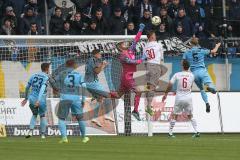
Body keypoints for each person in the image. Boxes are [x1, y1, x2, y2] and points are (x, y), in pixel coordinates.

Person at [114, 23, 146, 121]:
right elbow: (132, 62)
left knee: (118, 95)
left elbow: (136, 40)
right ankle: (135, 111)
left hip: (127, 77)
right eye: (123, 43)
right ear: (120, 47)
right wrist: (142, 59)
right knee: (139, 91)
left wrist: (140, 30)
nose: (125, 43)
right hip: (127, 77)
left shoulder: (130, 51)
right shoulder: (122, 55)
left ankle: (101, 95)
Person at [162, 60, 200, 138]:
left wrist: (165, 93)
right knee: (190, 115)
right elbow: (191, 86)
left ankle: (170, 132)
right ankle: (197, 131)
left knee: (175, 115)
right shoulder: (192, 75)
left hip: (179, 98)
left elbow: (170, 84)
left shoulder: (177, 75)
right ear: (188, 67)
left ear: (182, 66)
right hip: (188, 98)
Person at [182, 37, 221, 113]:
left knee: (202, 89)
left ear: (190, 44)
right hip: (202, 71)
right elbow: (214, 51)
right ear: (197, 43)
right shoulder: (202, 50)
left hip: (194, 74)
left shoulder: (187, 52)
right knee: (211, 84)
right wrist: (217, 45)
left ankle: (207, 103)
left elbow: (183, 62)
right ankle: (211, 88)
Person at [55, 59, 89, 143]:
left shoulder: (62, 74)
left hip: (64, 98)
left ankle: (64, 138)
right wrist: (83, 99)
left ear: (66, 65)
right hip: (76, 98)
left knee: (62, 118)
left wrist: (57, 89)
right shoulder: (78, 75)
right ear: (74, 65)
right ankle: (84, 137)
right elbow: (84, 86)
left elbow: (54, 81)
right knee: (80, 118)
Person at [85, 49, 115, 127]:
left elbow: (96, 69)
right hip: (92, 83)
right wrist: (103, 65)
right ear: (96, 54)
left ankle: (95, 118)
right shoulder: (92, 60)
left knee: (99, 98)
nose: (100, 55)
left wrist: (102, 64)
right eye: (99, 53)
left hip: (89, 84)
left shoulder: (91, 60)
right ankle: (107, 114)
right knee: (108, 95)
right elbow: (97, 71)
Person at [21, 63, 51, 139]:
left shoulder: (33, 75)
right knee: (42, 115)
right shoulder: (46, 77)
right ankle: (43, 134)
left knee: (34, 114)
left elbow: (27, 87)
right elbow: (42, 89)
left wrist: (26, 98)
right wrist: (38, 100)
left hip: (31, 98)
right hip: (41, 99)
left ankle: (30, 131)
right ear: (47, 69)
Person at [143, 30, 165, 116]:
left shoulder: (145, 46)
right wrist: (162, 68)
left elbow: (144, 58)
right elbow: (161, 58)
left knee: (148, 86)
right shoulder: (158, 44)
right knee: (152, 87)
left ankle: (148, 104)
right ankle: (148, 106)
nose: (155, 36)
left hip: (148, 65)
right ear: (151, 36)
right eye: (155, 35)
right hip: (155, 66)